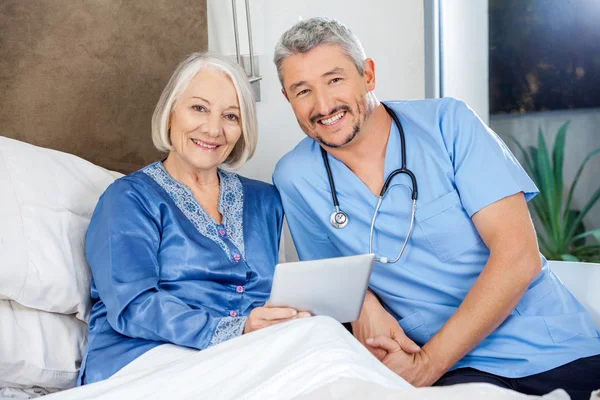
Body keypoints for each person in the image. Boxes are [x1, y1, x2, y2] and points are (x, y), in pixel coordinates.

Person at [271, 17, 600, 399]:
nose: (323, 105)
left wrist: (427, 365)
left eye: (335, 79)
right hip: (441, 371)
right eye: (303, 91)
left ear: (368, 75)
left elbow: (518, 257)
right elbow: (334, 281)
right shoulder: (295, 177)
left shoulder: (449, 124)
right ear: (287, 99)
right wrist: (365, 304)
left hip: (545, 349)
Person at [79, 52, 309, 385]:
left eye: (230, 115)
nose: (213, 129)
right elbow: (134, 305)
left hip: (251, 357)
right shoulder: (128, 199)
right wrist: (237, 330)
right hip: (144, 359)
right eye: (199, 108)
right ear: (172, 111)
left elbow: (276, 293)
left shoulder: (266, 200)